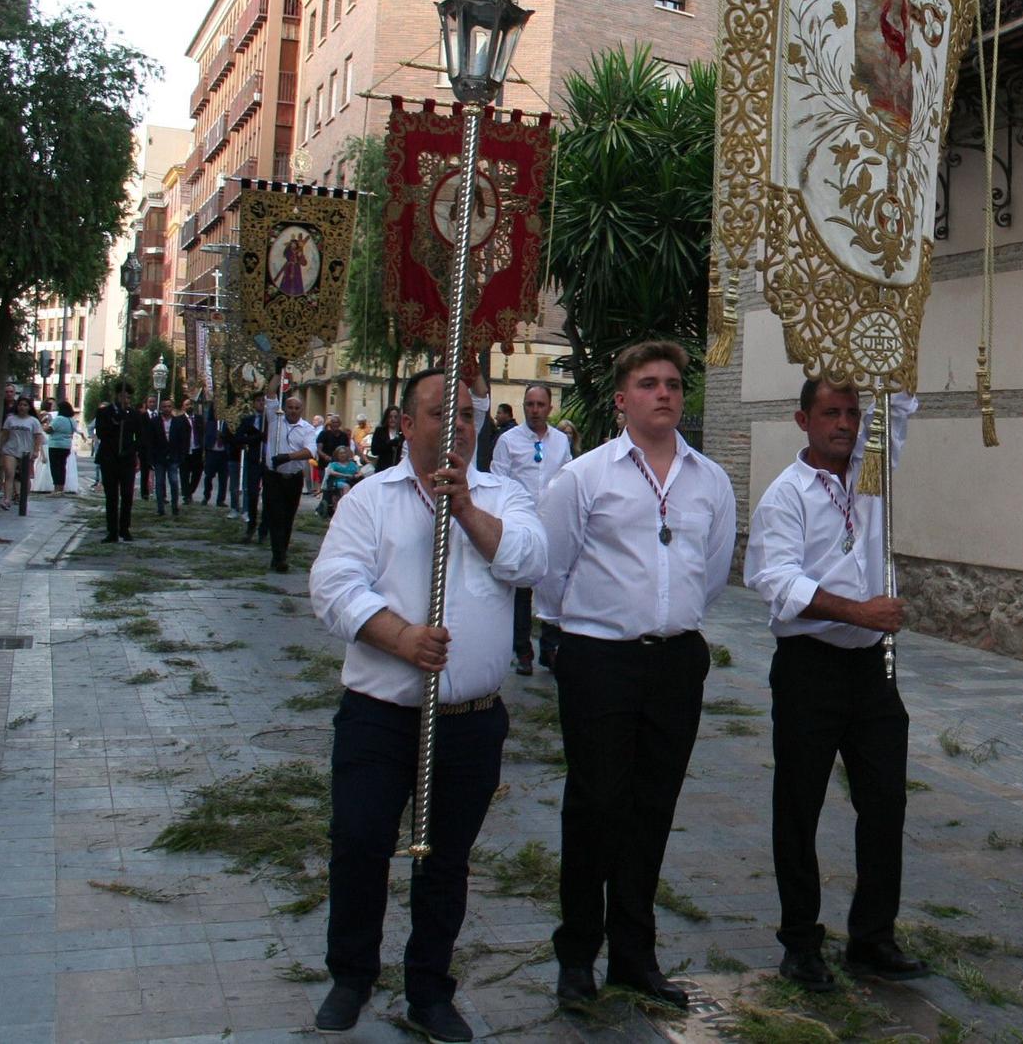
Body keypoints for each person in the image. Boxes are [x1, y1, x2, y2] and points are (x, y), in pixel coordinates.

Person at [308, 366, 547, 1041]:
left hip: (469, 722)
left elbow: (531, 561)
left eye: (468, 414)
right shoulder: (370, 498)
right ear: (405, 424)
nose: (459, 426)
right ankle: (351, 973)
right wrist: (400, 636)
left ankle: (429, 987)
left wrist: (467, 508)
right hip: (381, 714)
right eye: (441, 413)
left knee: (445, 859)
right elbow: (331, 586)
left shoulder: (504, 496)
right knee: (359, 841)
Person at [533, 341, 737, 1010]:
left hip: (674, 659)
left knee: (652, 808)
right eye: (648, 383)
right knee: (596, 806)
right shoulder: (585, 477)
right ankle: (576, 957)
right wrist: (568, 636)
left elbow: (710, 571)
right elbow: (553, 566)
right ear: (621, 398)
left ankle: (633, 953)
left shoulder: (709, 478)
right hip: (599, 657)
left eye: (674, 383)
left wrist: (669, 619)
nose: (665, 394)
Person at [746, 379, 927, 993]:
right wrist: (860, 611)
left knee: (885, 802)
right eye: (832, 413)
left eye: (853, 412)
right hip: (810, 667)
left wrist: (891, 353)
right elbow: (777, 582)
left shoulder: (871, 477)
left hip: (871, 669)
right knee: (799, 806)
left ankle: (872, 936)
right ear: (804, 419)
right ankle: (800, 943)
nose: (845, 423)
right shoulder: (786, 495)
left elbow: (896, 409)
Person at [489, 383, 572, 677]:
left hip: (552, 522)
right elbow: (499, 480)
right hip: (521, 521)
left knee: (554, 584)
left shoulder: (561, 441)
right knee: (522, 589)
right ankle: (522, 649)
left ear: (549, 408)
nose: (534, 410)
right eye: (529, 404)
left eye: (540, 405)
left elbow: (567, 478)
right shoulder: (508, 440)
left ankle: (550, 647)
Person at [263, 395, 319, 572]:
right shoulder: (275, 420)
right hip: (274, 476)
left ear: (301, 410)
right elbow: (271, 393)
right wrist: (278, 370)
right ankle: (278, 556)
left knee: (288, 517)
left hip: (293, 477)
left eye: (296, 408)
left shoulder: (307, 429)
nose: (293, 411)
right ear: (285, 408)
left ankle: (282, 552)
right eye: (290, 407)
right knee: (276, 516)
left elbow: (310, 451)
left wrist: (287, 457)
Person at [95, 384, 139, 543]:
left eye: (128, 397)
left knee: (127, 495)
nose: (126, 400)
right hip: (109, 459)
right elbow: (101, 433)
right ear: (117, 396)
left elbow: (139, 437)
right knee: (111, 496)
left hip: (126, 460)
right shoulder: (104, 413)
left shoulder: (133, 414)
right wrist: (114, 421)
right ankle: (112, 530)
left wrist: (131, 451)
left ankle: (125, 528)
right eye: (123, 396)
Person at [2, 395, 41, 516]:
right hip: (10, 449)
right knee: (9, 474)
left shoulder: (33, 421)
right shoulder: (10, 419)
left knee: (25, 477)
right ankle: (7, 499)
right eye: (20, 405)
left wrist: (36, 451)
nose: (22, 407)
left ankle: (23, 498)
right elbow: (5, 434)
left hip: (26, 452)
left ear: (29, 407)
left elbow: (37, 437)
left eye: (25, 405)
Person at [236, 393, 269, 534]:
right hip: (254, 460)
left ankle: (265, 527)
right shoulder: (248, 420)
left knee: (268, 495)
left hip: (268, 461)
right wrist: (256, 437)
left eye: (263, 401)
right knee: (253, 493)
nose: (261, 403)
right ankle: (252, 522)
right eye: (259, 401)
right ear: (254, 403)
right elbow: (239, 438)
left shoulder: (272, 420)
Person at [200, 403, 233, 510]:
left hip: (224, 454)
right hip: (212, 453)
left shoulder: (228, 424)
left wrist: (223, 436)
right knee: (208, 476)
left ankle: (220, 500)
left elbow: (231, 437)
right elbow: (206, 438)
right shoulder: (210, 423)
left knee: (223, 478)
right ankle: (206, 496)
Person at [320, 443, 361, 518]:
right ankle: (346, 506)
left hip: (352, 481)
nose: (343, 455)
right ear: (337, 455)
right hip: (337, 482)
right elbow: (331, 472)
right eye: (341, 453)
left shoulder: (352, 464)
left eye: (344, 453)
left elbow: (359, 472)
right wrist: (345, 475)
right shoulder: (334, 464)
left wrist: (357, 475)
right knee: (346, 486)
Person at [136, 394, 164, 502]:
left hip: (157, 449)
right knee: (144, 473)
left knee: (160, 473)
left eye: (154, 402)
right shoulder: (142, 416)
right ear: (146, 404)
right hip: (144, 449)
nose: (152, 404)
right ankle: (145, 494)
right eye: (150, 402)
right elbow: (140, 433)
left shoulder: (160, 416)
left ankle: (161, 495)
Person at [47, 400, 77, 495]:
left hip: (55, 445)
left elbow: (50, 430)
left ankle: (56, 488)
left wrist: (44, 426)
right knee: (62, 467)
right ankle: (61, 488)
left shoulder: (58, 419)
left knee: (55, 467)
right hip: (66, 446)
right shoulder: (72, 420)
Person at [367, 405, 405, 473]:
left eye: (395, 417)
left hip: (398, 468)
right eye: (390, 417)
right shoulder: (380, 431)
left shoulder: (403, 432)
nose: (393, 419)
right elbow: (374, 450)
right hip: (383, 468)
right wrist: (390, 444)